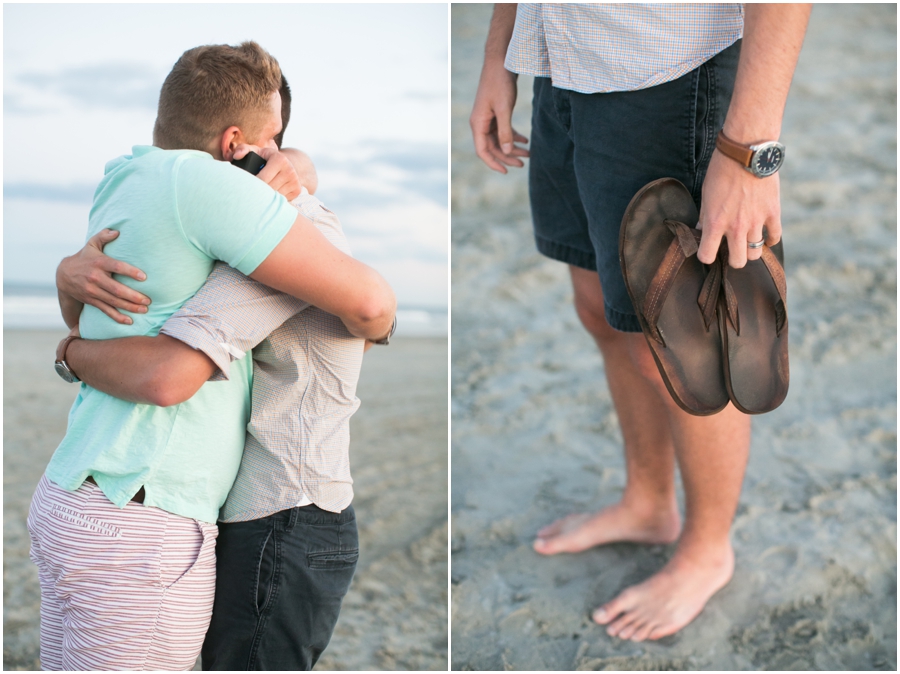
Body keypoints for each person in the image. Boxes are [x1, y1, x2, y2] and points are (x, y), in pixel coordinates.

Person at [29, 42, 395, 671]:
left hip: (73, 494)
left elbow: (110, 313)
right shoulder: (204, 187)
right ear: (234, 144)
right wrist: (70, 348)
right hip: (141, 513)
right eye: (272, 140)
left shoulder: (123, 177)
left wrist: (67, 322)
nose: (279, 155)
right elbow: (369, 303)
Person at [470, 3, 811, 642]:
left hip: (669, 69)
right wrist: (499, 55)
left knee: (687, 346)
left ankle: (708, 548)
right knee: (600, 308)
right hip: (560, 60)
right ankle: (649, 502)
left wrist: (748, 151)